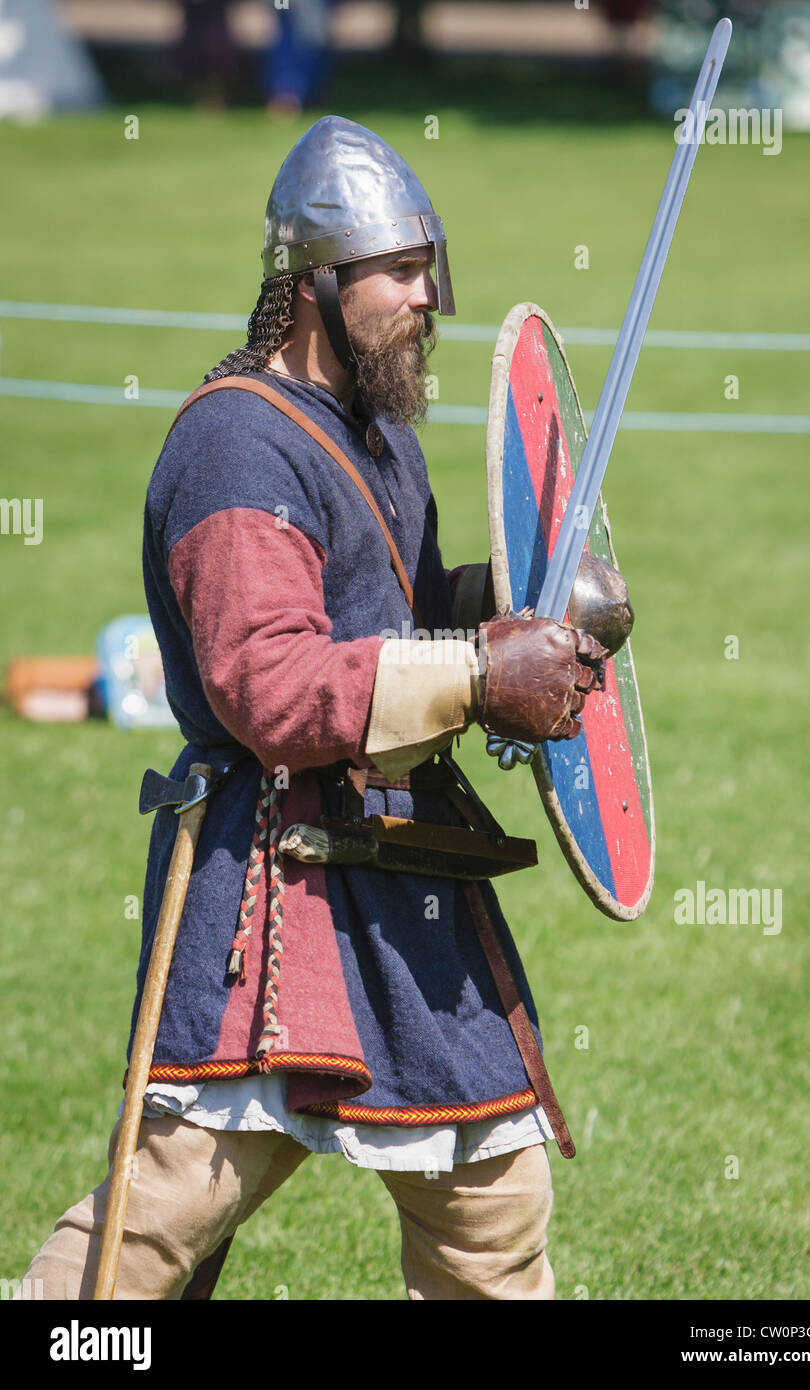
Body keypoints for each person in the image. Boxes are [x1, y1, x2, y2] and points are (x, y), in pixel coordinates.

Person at [20, 116, 621, 1302]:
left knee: (491, 1194)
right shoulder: (237, 448)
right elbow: (274, 687)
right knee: (163, 1218)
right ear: (314, 286)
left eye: (428, 266)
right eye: (401, 272)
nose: (430, 297)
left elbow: (388, 608)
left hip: (404, 867)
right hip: (274, 877)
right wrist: (481, 674)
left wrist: (515, 604)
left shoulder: (381, 433)